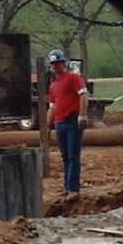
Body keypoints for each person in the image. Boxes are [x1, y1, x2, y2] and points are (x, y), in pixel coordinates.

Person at [45, 49, 89, 199]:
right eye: (53, 64)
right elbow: (52, 106)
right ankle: (67, 185)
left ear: (63, 63)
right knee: (65, 156)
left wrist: (82, 115)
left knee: (73, 155)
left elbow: (83, 94)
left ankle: (73, 188)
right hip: (60, 123)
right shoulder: (53, 86)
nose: (55, 66)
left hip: (72, 121)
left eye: (58, 63)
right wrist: (48, 126)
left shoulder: (73, 78)